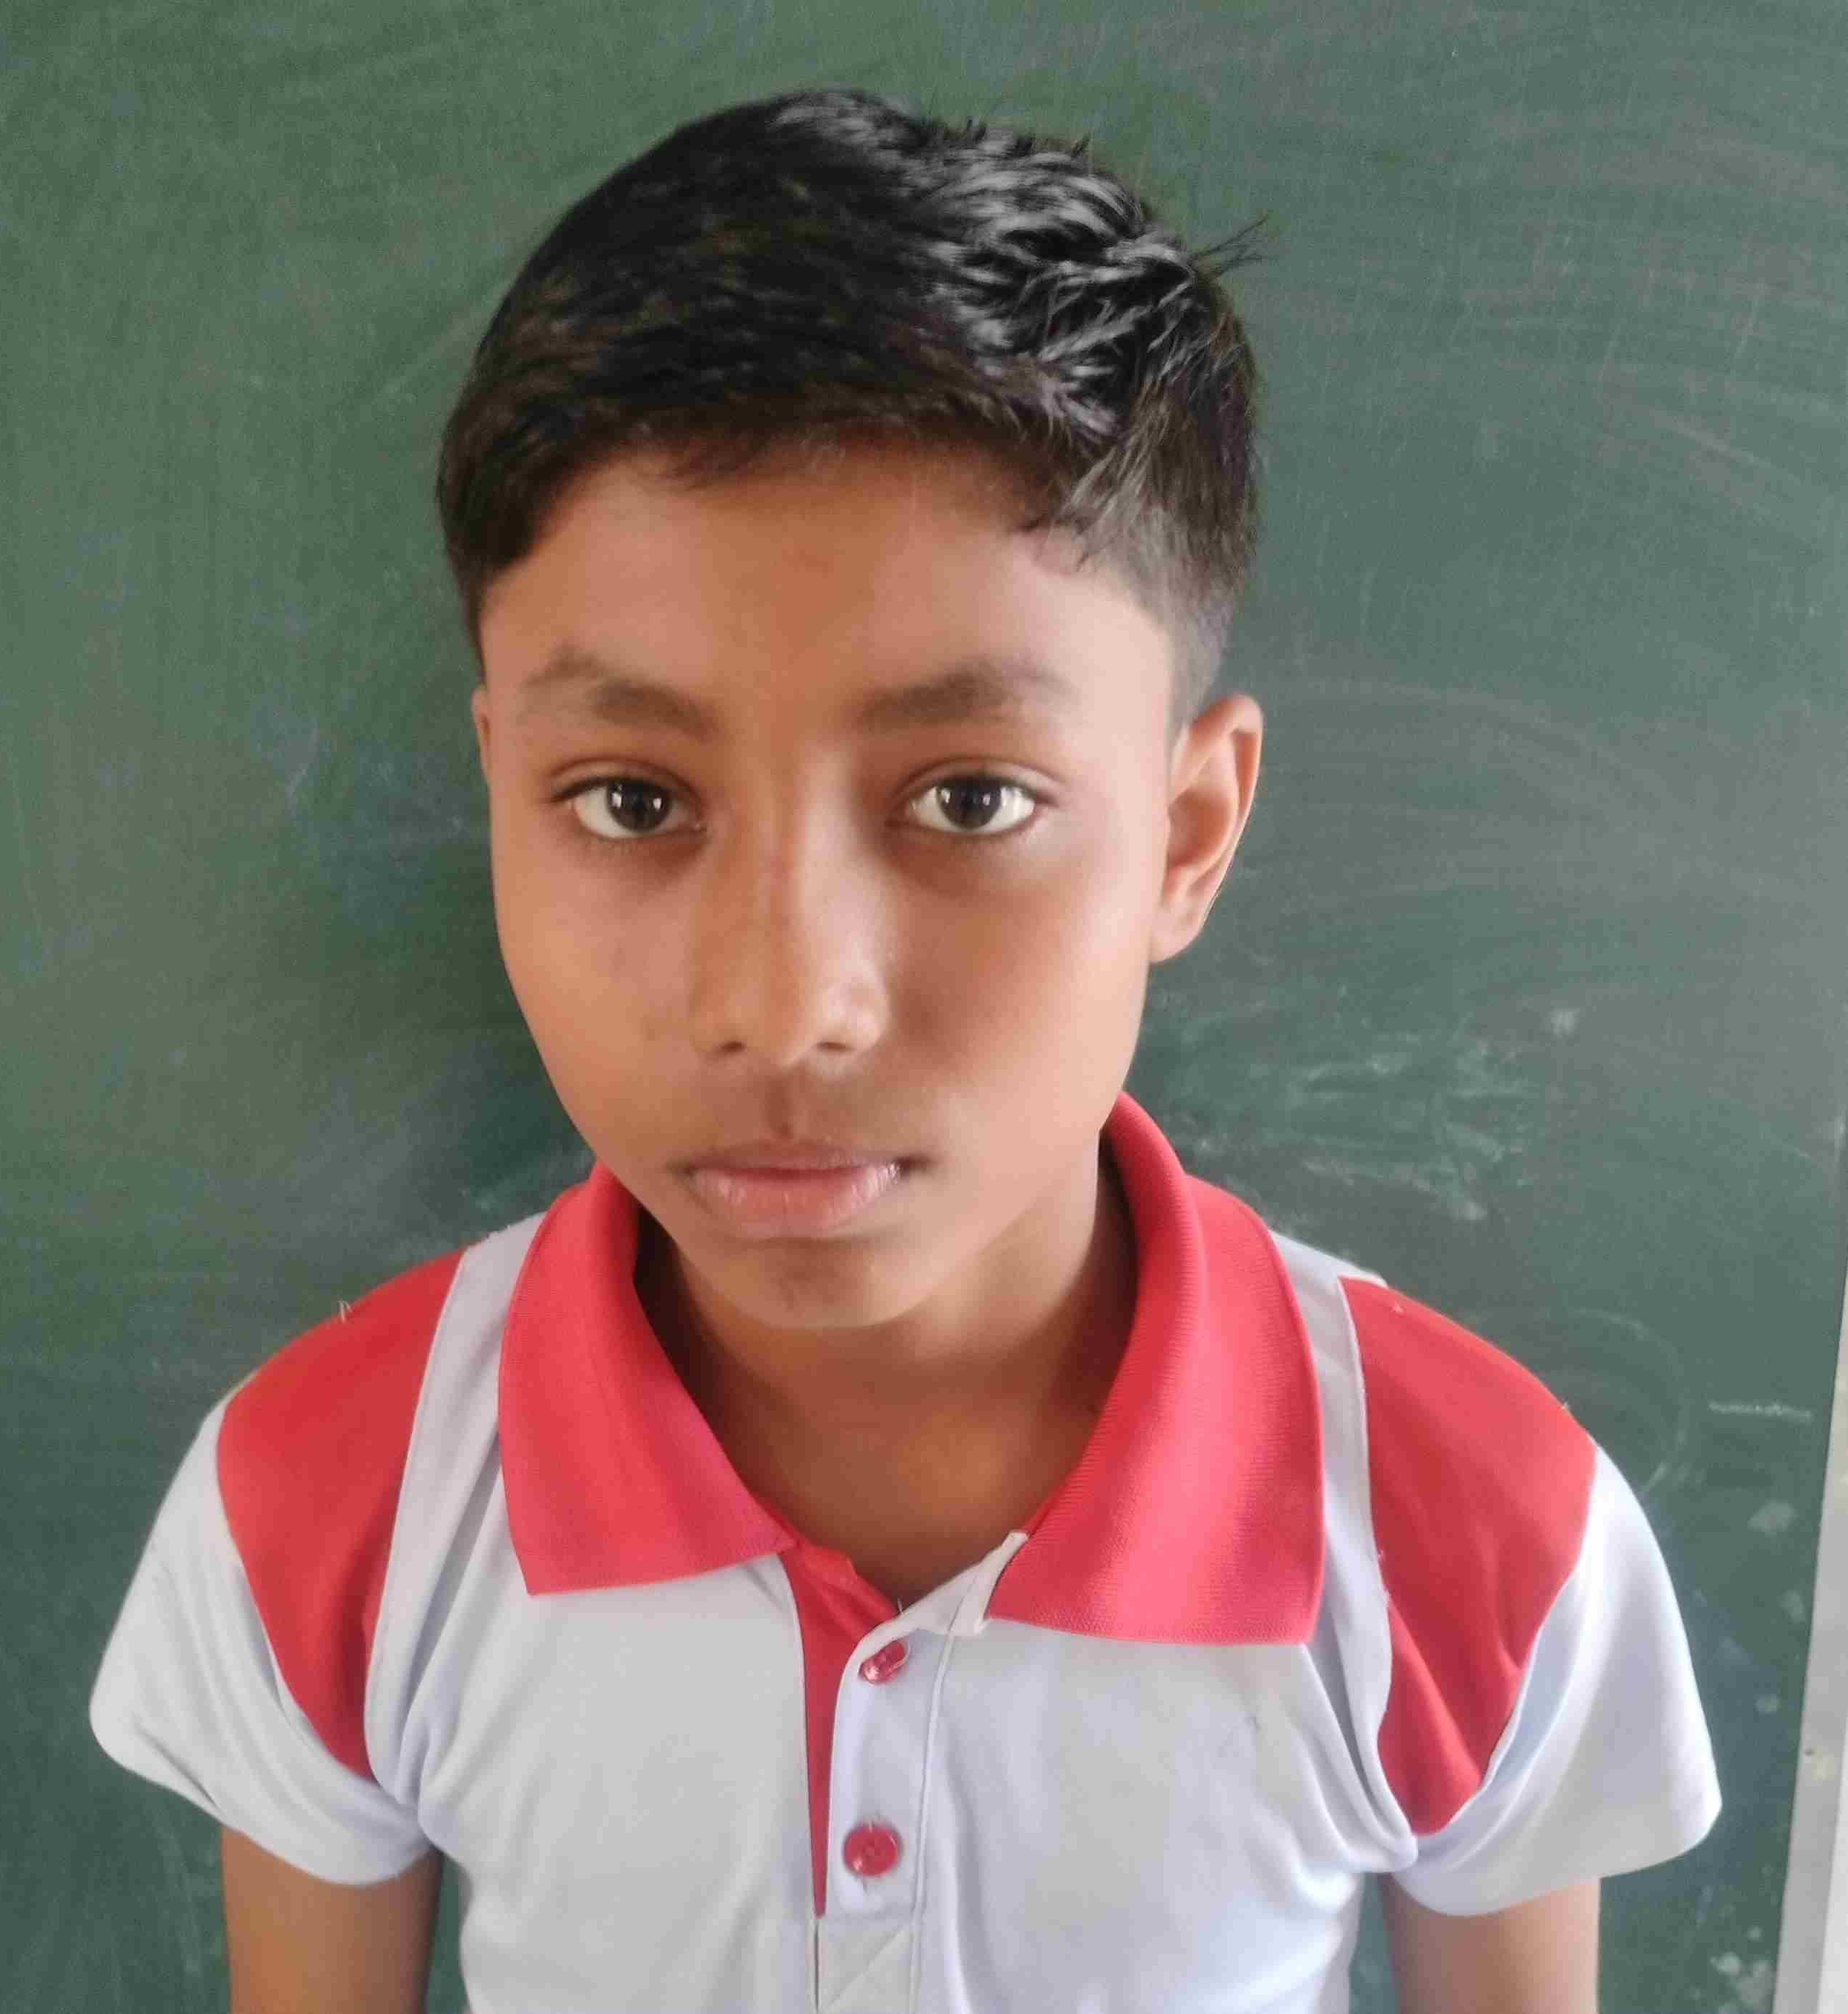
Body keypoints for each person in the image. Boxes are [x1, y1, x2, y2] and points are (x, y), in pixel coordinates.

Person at [89, 84, 1720, 2014]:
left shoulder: (1474, 1524)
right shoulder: (329, 1501)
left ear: (1186, 836)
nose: (786, 1004)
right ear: (499, 790)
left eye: (968, 800)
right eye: (628, 801)